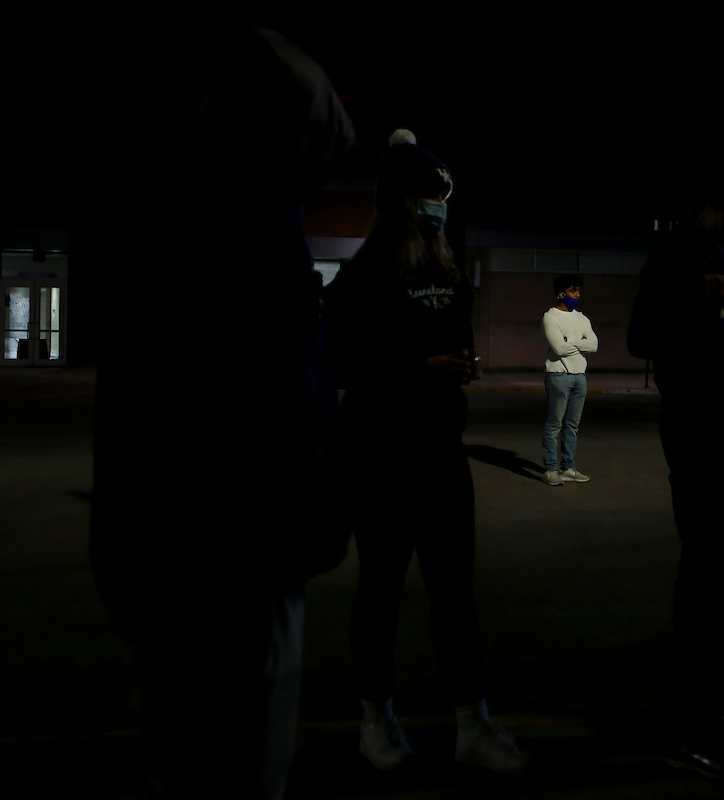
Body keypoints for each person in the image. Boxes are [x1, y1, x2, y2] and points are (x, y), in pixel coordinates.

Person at [88, 27, 356, 799]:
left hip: (187, 576)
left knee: (190, 760)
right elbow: (265, 409)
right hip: (233, 581)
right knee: (234, 772)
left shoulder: (194, 214)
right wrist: (328, 505)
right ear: (280, 136)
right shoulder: (233, 232)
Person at [324, 129, 528, 775]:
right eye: (433, 196)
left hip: (443, 452)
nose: (442, 207)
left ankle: (474, 722)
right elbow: (338, 364)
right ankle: (374, 719)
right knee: (380, 591)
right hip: (382, 455)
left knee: (454, 594)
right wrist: (418, 367)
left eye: (447, 195)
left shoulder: (444, 265)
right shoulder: (361, 275)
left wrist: (458, 366)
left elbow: (453, 341)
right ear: (403, 201)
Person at [627, 152, 724, 780]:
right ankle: (690, 729)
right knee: (706, 576)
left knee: (723, 577)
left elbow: (703, 326)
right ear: (714, 204)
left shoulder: (714, 256)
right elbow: (644, 337)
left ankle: (714, 715)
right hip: (700, 424)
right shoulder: (677, 255)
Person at [542, 273, 599, 486]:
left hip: (579, 377)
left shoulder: (582, 318)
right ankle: (550, 470)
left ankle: (568, 467)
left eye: (578, 291)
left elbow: (593, 345)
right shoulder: (551, 317)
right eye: (573, 291)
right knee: (554, 424)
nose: (577, 295)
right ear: (561, 293)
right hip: (557, 375)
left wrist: (570, 341)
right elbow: (558, 348)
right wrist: (578, 342)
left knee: (572, 426)